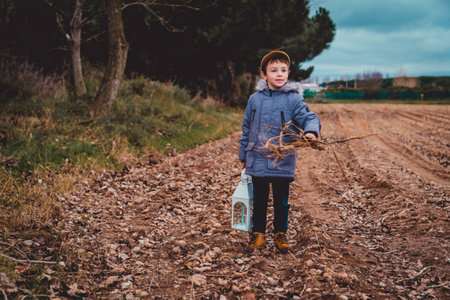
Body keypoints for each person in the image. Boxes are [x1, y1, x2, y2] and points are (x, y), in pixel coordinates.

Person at [238, 50, 321, 253]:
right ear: (264, 75)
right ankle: (257, 234)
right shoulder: (254, 100)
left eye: (283, 70)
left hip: (282, 158)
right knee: (259, 199)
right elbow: (246, 129)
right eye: (274, 70)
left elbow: (308, 117)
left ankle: (280, 233)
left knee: (281, 201)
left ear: (288, 73)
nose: (279, 74)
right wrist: (243, 156)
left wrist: (311, 132)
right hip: (257, 157)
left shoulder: (294, 99)